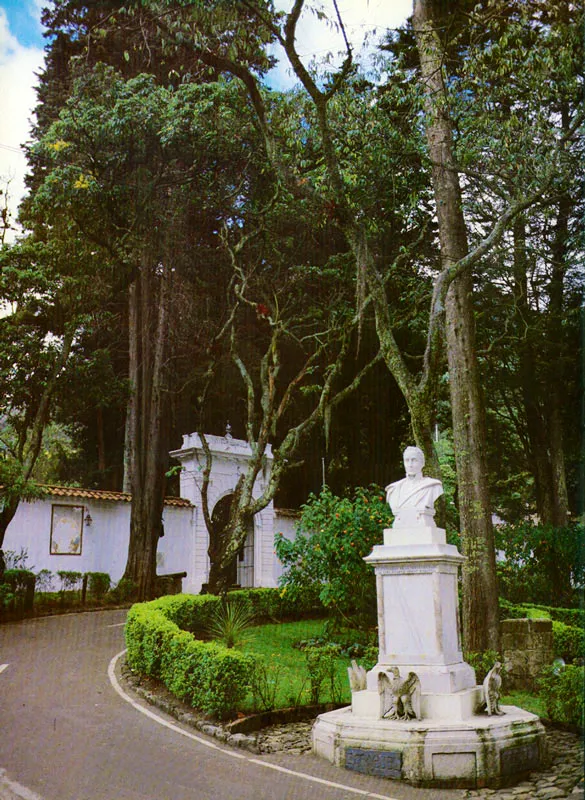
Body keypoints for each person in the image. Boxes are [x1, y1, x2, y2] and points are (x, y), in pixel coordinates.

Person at [385, 446, 443, 528]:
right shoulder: (394, 488)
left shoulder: (432, 486)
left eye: (414, 460)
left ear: (422, 463)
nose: (410, 465)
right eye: (407, 460)